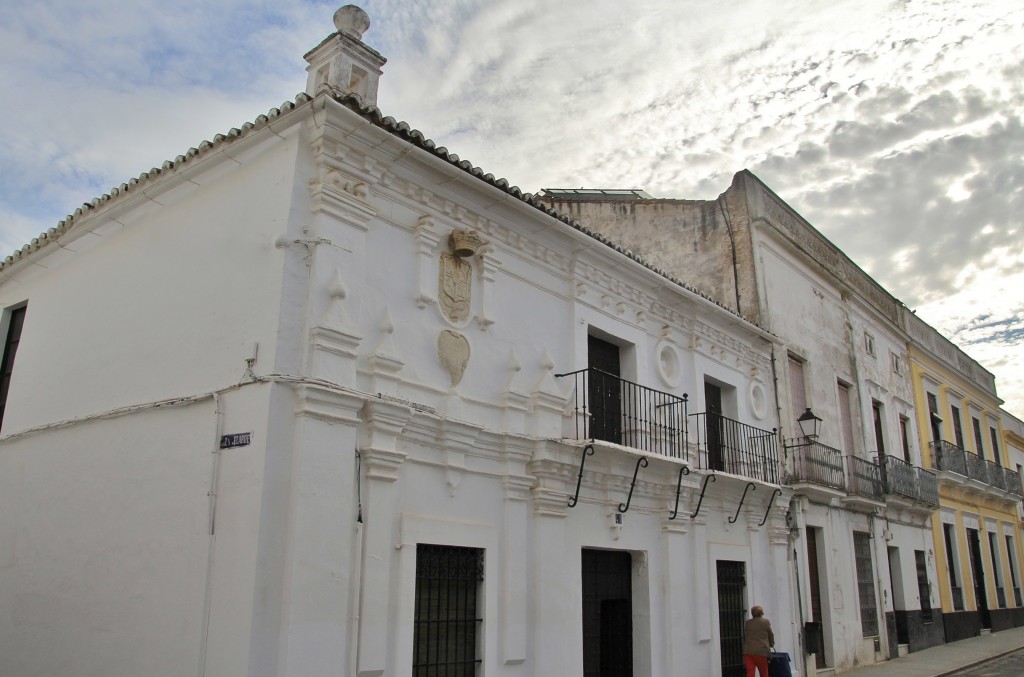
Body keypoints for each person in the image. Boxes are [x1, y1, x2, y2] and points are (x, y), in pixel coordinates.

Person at [743, 605, 775, 677]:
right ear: (761, 614)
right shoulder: (765, 622)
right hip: (761, 652)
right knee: (763, 672)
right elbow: (770, 634)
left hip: (748, 651)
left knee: (750, 672)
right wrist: (771, 643)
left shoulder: (748, 623)